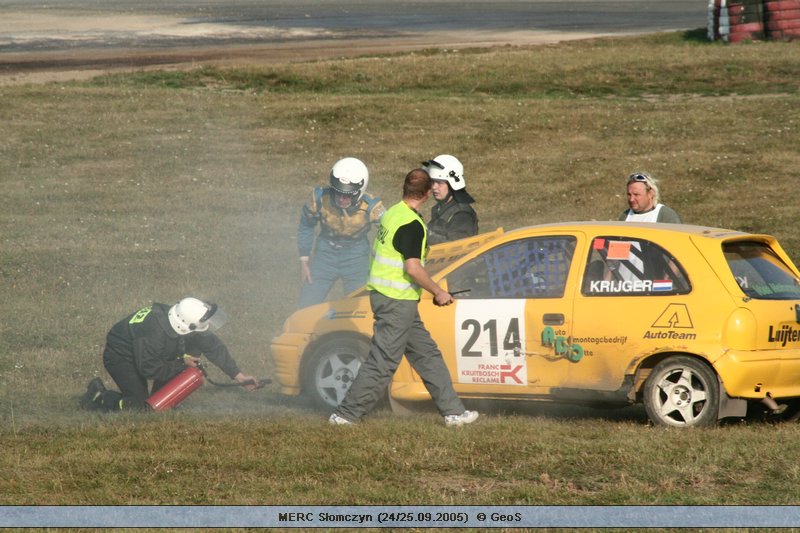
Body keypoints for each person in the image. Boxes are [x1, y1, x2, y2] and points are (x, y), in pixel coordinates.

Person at [329, 168, 479, 427]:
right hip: (396, 301)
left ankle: (453, 412)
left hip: (391, 298)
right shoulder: (412, 225)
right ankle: (345, 415)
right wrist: (439, 292)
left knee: (427, 354)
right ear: (425, 194)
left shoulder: (393, 214)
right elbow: (413, 268)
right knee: (383, 361)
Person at [79, 297, 259, 412]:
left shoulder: (182, 320)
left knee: (159, 405)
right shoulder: (154, 332)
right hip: (121, 356)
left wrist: (239, 376)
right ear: (183, 324)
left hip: (150, 353)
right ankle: (99, 397)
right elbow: (148, 368)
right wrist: (182, 364)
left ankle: (162, 404)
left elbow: (213, 346)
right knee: (140, 407)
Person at [297, 157, 386, 308]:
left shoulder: (372, 206)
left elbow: (390, 230)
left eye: (348, 194)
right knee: (307, 303)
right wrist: (304, 260)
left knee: (357, 306)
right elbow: (306, 224)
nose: (341, 198)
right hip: (324, 254)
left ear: (360, 190)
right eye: (337, 192)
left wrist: (381, 262)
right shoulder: (318, 198)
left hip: (356, 256)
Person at [422, 154, 479, 244]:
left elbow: (457, 248)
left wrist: (426, 235)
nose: (434, 187)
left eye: (439, 182)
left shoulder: (462, 214)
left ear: (453, 184)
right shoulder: (440, 208)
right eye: (432, 182)